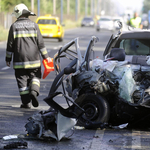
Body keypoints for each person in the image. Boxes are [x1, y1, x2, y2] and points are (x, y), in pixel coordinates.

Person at [5, 3, 52, 109]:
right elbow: (40, 44)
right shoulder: (35, 25)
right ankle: (34, 92)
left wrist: (8, 59)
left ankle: (26, 103)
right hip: (34, 60)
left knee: (22, 81)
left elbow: (10, 45)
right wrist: (46, 57)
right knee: (35, 77)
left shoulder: (14, 27)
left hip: (19, 62)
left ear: (18, 15)